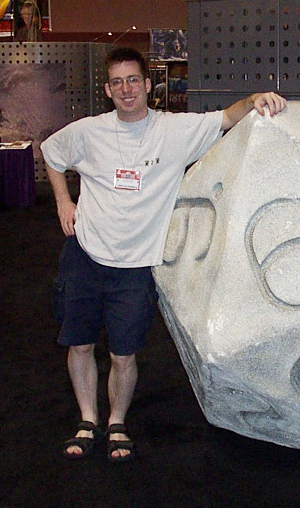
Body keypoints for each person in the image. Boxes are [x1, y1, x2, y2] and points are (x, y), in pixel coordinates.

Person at [41, 47, 286, 463]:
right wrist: (64, 201)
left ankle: (116, 422)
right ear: (107, 90)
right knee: (80, 344)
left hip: (137, 266)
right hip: (85, 256)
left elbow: (227, 118)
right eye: (117, 83)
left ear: (147, 84)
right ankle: (87, 419)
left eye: (132, 80)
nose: (126, 89)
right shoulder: (89, 131)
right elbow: (51, 152)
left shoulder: (174, 130)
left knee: (123, 354)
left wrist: (257, 98)